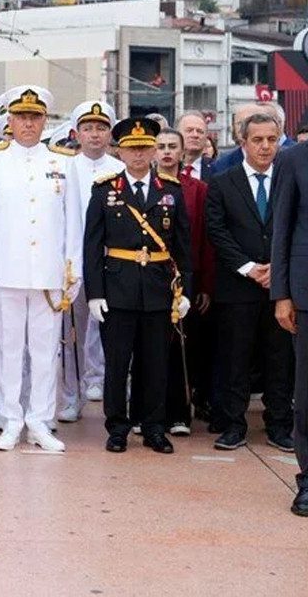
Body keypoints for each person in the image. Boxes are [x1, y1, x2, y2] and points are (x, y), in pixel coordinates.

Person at [0, 86, 82, 453]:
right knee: (7, 350)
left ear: (45, 121)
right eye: (22, 117)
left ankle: (39, 420)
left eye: (35, 117)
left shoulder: (63, 162)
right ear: (10, 121)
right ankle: (10, 418)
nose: (29, 124)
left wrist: (74, 271)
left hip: (49, 274)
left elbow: (73, 223)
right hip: (5, 271)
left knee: (47, 350)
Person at [85, 117, 191, 454]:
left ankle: (154, 427)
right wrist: (95, 293)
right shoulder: (105, 189)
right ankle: (117, 427)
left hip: (159, 290)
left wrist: (184, 289)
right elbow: (91, 245)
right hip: (118, 288)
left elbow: (183, 246)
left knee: (156, 363)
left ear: (154, 150)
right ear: (120, 151)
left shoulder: (170, 191)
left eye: (145, 148)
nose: (139, 155)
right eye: (132, 149)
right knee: (117, 363)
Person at [206, 111, 293, 452]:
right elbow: (217, 230)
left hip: (280, 286)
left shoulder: (291, 180)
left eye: (272, 139)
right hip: (237, 286)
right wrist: (247, 266)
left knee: (280, 360)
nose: (265, 146)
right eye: (257, 140)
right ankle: (232, 425)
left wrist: (277, 266)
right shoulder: (222, 183)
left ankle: (280, 425)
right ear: (242, 142)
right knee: (235, 359)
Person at [58, 101, 124, 423]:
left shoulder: (121, 169)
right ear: (76, 133)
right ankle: (73, 395)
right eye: (87, 128)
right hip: (75, 263)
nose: (94, 135)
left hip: (114, 262)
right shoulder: (64, 168)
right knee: (72, 334)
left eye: (101, 128)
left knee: (115, 333)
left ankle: (113, 392)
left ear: (110, 133)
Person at [155, 128, 215, 432]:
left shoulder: (198, 189)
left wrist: (204, 284)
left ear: (182, 153)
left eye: (172, 147)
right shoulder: (144, 186)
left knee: (182, 344)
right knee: (153, 344)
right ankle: (150, 410)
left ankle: (180, 411)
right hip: (150, 275)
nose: (167, 152)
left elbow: (205, 239)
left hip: (185, 277)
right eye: (161, 146)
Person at [271, 138, 308, 515]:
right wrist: (282, 294)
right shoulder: (294, 159)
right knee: (307, 394)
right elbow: (282, 229)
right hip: (305, 293)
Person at [176, 111, 213, 181]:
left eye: (200, 131)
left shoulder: (218, 170)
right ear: (177, 135)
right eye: (189, 130)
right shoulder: (165, 167)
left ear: (206, 137)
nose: (195, 135)